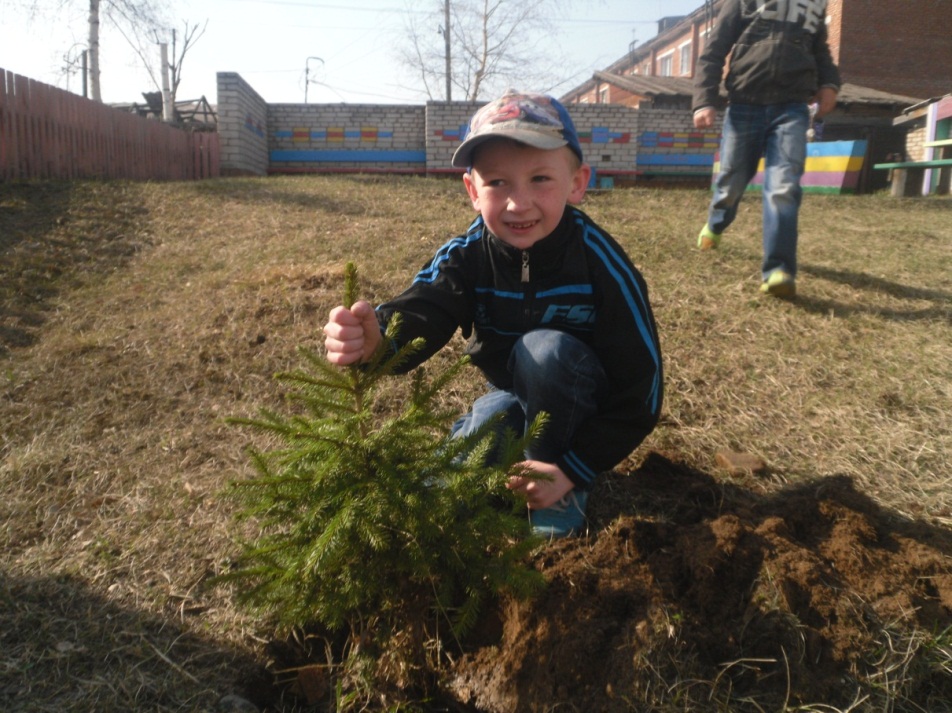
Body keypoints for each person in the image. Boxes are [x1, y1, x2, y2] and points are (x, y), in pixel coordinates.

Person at [323, 91, 663, 538]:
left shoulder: (600, 260)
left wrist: (573, 467)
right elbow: (428, 303)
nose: (517, 204)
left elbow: (642, 385)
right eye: (497, 183)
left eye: (540, 179)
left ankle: (557, 488)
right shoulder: (468, 254)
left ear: (577, 183)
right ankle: (491, 455)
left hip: (581, 406)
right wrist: (379, 341)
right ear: (471, 190)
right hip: (512, 393)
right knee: (462, 468)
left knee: (543, 350)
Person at [693, 0, 841, 298]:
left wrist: (829, 83)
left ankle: (778, 270)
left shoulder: (813, 4)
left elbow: (821, 49)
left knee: (783, 186)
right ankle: (716, 223)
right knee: (731, 181)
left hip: (792, 107)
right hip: (744, 105)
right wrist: (704, 99)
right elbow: (714, 49)